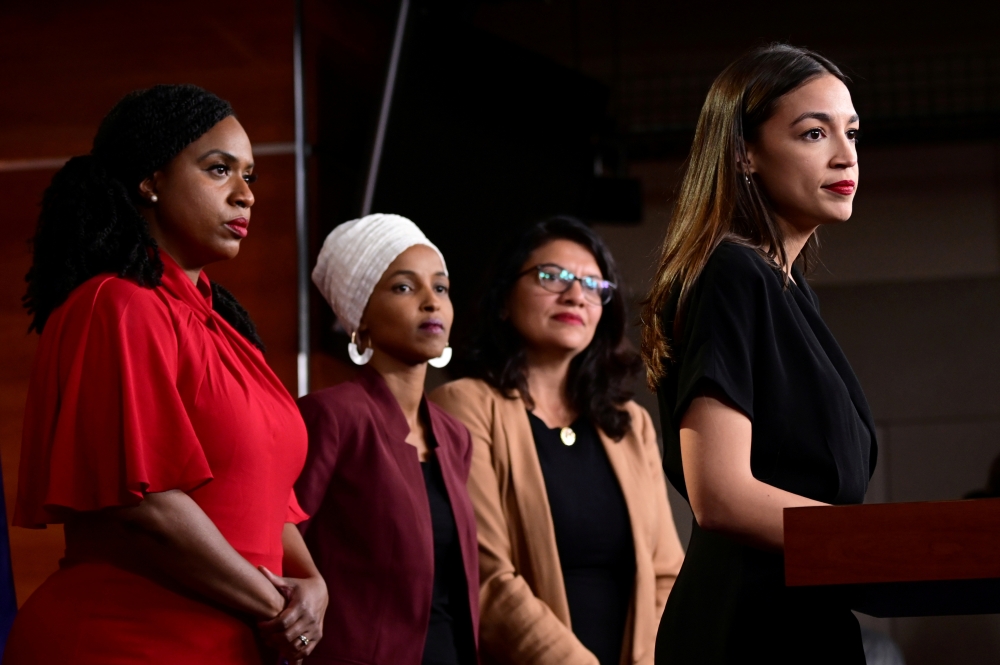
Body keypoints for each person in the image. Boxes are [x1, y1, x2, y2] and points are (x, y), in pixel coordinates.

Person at [7, 85, 326, 665]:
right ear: (150, 180)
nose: (245, 195)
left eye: (249, 176)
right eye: (219, 170)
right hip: (126, 640)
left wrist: (313, 585)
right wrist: (276, 605)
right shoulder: (118, 304)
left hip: (227, 640)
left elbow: (263, 498)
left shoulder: (224, 325)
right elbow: (144, 506)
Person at [640, 44, 877, 663]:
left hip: (806, 615)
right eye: (812, 132)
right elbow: (720, 492)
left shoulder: (791, 293)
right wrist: (870, 542)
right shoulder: (731, 273)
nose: (845, 154)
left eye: (850, 132)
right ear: (743, 153)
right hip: (747, 628)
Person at [432, 217, 685, 665]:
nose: (576, 296)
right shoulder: (464, 405)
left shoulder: (630, 425)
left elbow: (667, 574)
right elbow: (488, 577)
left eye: (593, 285)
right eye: (553, 277)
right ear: (504, 300)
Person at [296, 213, 479, 665]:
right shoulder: (332, 415)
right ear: (360, 317)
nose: (430, 302)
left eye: (440, 287)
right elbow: (277, 545)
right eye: (403, 287)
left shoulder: (454, 437)